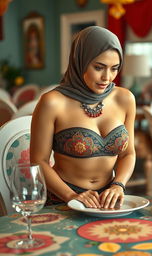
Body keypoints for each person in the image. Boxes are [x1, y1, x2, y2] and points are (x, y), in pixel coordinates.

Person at [30, 26, 136, 209]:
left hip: (109, 200)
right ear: (80, 60)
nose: (107, 77)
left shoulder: (125, 99)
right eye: (98, 67)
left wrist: (118, 185)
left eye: (114, 68)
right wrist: (71, 196)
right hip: (63, 199)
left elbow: (128, 153)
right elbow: (38, 161)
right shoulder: (52, 102)